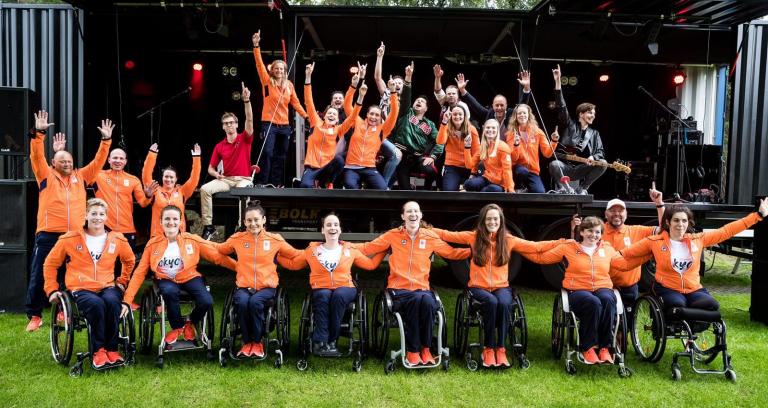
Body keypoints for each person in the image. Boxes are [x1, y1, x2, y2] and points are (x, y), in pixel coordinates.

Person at [433, 204, 562, 367]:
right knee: (492, 302)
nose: (492, 222)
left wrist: (561, 241)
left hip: (501, 286)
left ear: (501, 221)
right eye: (489, 219)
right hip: (478, 287)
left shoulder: (508, 240)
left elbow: (535, 247)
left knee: (504, 302)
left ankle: (500, 349)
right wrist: (427, 230)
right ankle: (488, 348)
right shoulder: (473, 237)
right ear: (483, 221)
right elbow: (448, 235)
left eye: (495, 219)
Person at [25, 111, 113, 332]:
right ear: (54, 162)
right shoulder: (45, 175)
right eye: (62, 160)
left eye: (69, 161)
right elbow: (37, 156)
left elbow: (99, 161)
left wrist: (106, 141)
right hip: (48, 233)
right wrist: (40, 134)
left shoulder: (81, 176)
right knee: (39, 273)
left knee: (70, 275)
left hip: (74, 235)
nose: (66, 163)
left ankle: (65, 311)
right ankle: (35, 315)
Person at [355, 201, 470, 366]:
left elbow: (451, 253)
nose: (413, 214)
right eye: (409, 211)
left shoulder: (430, 237)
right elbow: (368, 248)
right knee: (417, 300)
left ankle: (426, 349)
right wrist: (344, 246)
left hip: (422, 288)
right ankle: (413, 351)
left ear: (421, 215)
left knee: (429, 302)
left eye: (416, 211)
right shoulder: (393, 235)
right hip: (398, 289)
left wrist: (475, 250)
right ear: (403, 216)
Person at [525, 216, 650, 365]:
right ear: (582, 232)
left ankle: (605, 347)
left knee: (608, 300)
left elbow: (624, 264)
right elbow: (542, 258)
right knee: (593, 302)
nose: (594, 235)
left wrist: (649, 254)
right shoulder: (569, 248)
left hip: (602, 286)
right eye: (590, 231)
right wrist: (519, 248)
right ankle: (589, 347)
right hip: (577, 289)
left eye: (597, 232)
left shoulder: (607, 249)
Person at [619, 199, 768, 312]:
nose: (680, 224)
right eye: (676, 220)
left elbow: (726, 231)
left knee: (711, 305)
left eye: (684, 220)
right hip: (667, 288)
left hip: (693, 289)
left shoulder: (698, 239)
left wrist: (758, 215)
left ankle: (692, 340)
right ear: (668, 222)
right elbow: (626, 253)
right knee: (678, 305)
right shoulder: (654, 241)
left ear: (688, 223)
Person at [121, 205, 235, 345]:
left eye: (175, 219)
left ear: (181, 222)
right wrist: (127, 299)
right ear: (161, 222)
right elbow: (139, 273)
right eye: (167, 219)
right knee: (169, 291)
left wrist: (240, 268)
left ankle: (190, 323)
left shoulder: (192, 240)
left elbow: (218, 258)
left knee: (207, 301)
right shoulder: (153, 244)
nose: (171, 222)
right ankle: (177, 327)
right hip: (166, 279)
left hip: (189, 276)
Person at [43, 198, 135, 367]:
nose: (97, 218)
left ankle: (112, 349)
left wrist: (122, 281)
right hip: (81, 287)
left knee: (113, 301)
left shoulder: (117, 239)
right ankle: (99, 351)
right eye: (93, 213)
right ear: (86, 215)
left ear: (106, 217)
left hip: (107, 285)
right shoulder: (69, 238)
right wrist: (51, 289)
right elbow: (50, 263)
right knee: (96, 304)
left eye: (101, 214)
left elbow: (129, 260)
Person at [278, 213, 386, 356]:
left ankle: (331, 341)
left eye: (335, 224)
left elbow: (371, 264)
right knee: (323, 295)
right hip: (321, 287)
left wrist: (384, 250)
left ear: (340, 229)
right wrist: (275, 255)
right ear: (323, 230)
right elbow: (293, 264)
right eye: (328, 225)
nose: (332, 227)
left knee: (338, 296)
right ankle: (319, 343)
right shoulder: (312, 251)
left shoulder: (349, 249)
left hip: (345, 288)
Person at [215, 203, 302, 358]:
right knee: (241, 303)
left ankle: (257, 341)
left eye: (256, 220)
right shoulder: (237, 239)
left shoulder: (275, 239)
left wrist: (315, 251)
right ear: (244, 222)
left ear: (264, 220)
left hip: (267, 287)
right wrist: (234, 265)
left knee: (255, 302)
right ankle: (247, 342)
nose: (253, 224)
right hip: (244, 286)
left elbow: (295, 254)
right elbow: (220, 250)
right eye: (249, 220)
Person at [572, 185, 665, 307]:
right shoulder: (596, 232)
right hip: (601, 288)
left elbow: (663, 230)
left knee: (627, 325)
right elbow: (577, 250)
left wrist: (659, 204)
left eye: (620, 211)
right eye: (612, 211)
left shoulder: (637, 231)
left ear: (626, 214)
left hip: (628, 289)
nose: (617, 214)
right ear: (606, 214)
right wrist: (574, 229)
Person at [252, 30, 308, 187]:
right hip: (268, 124)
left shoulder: (289, 85)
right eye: (276, 69)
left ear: (285, 71)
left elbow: (296, 103)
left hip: (284, 127)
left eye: (282, 69)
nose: (279, 71)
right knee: (267, 153)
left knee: (281, 156)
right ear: (272, 70)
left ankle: (276, 184)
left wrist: (306, 116)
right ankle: (263, 182)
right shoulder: (267, 81)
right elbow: (259, 64)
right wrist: (256, 45)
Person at [200, 82, 255, 240]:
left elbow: (250, 120)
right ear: (223, 127)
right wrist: (216, 175)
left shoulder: (244, 138)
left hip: (243, 179)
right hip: (227, 180)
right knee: (204, 189)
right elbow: (210, 168)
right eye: (226, 123)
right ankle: (209, 226)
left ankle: (241, 226)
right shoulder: (219, 146)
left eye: (231, 122)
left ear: (237, 125)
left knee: (243, 192)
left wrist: (246, 101)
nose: (229, 125)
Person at [299, 62, 363, 189]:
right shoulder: (315, 123)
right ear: (325, 115)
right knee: (305, 186)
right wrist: (307, 76)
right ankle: (316, 183)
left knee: (339, 160)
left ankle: (328, 181)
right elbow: (308, 101)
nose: (332, 115)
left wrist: (358, 93)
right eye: (330, 113)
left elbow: (353, 117)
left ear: (338, 118)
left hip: (327, 167)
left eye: (335, 114)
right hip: (312, 167)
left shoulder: (338, 130)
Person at [548, 64, 606, 195]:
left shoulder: (594, 133)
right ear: (581, 114)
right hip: (565, 167)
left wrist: (593, 156)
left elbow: (601, 152)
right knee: (554, 164)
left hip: (581, 168)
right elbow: (561, 106)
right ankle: (565, 188)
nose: (593, 116)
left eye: (594, 114)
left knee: (602, 163)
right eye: (590, 113)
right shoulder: (570, 125)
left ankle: (583, 188)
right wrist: (558, 82)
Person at [341, 68, 399, 190]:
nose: (373, 117)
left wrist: (393, 92)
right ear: (367, 115)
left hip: (369, 168)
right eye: (371, 114)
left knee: (382, 189)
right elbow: (347, 105)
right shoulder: (357, 122)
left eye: (377, 115)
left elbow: (394, 113)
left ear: (380, 117)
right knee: (351, 186)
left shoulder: (382, 129)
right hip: (352, 167)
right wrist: (353, 86)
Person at [389, 62, 444, 190]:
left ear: (426, 108)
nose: (419, 101)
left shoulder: (429, 124)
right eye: (417, 100)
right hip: (401, 155)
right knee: (405, 189)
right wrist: (408, 77)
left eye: (422, 102)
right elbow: (406, 96)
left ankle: (427, 190)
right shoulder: (405, 112)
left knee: (431, 170)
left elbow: (440, 141)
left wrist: (432, 156)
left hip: (418, 157)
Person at [142, 142, 201, 237]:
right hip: (158, 236)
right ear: (162, 178)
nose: (168, 179)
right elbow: (146, 174)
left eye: (171, 177)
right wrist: (152, 154)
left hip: (178, 236)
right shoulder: (155, 190)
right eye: (166, 176)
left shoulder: (182, 191)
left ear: (176, 179)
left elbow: (194, 178)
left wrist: (197, 157)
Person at [455, 71, 531, 139]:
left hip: (508, 149)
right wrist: (462, 90)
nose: (499, 108)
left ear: (506, 105)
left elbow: (522, 107)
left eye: (502, 105)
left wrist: (527, 88)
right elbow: (475, 104)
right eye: (497, 105)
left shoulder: (511, 114)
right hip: (490, 148)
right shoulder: (489, 113)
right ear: (492, 105)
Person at [373, 42, 405, 186]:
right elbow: (378, 78)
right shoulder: (387, 93)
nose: (397, 84)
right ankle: (383, 187)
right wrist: (380, 56)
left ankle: (386, 185)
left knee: (398, 159)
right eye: (396, 82)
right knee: (397, 155)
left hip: (394, 137)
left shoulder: (406, 102)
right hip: (379, 133)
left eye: (400, 83)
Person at [507, 104, 558, 193]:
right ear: (516, 116)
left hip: (532, 171)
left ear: (529, 115)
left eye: (524, 113)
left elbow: (547, 153)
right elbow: (513, 158)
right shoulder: (511, 133)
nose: (522, 115)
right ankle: (518, 187)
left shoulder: (537, 132)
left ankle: (526, 189)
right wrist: (516, 145)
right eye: (519, 113)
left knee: (540, 192)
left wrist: (553, 141)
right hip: (517, 170)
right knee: (522, 171)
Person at [463, 119, 516, 192]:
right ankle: (480, 190)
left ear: (497, 130)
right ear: (484, 129)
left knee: (490, 189)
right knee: (468, 184)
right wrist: (467, 147)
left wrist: (510, 188)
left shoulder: (503, 147)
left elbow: (507, 170)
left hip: (500, 183)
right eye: (488, 127)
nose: (490, 130)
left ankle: (481, 191)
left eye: (493, 128)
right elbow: (469, 165)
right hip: (487, 178)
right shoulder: (482, 147)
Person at [436, 106, 479, 191]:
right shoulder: (447, 127)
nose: (457, 116)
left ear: (464, 116)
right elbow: (440, 141)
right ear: (451, 116)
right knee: (448, 191)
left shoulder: (472, 129)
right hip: (452, 166)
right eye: (455, 114)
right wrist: (444, 122)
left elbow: (477, 152)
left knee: (471, 190)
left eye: (460, 114)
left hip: (468, 167)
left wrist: (473, 172)